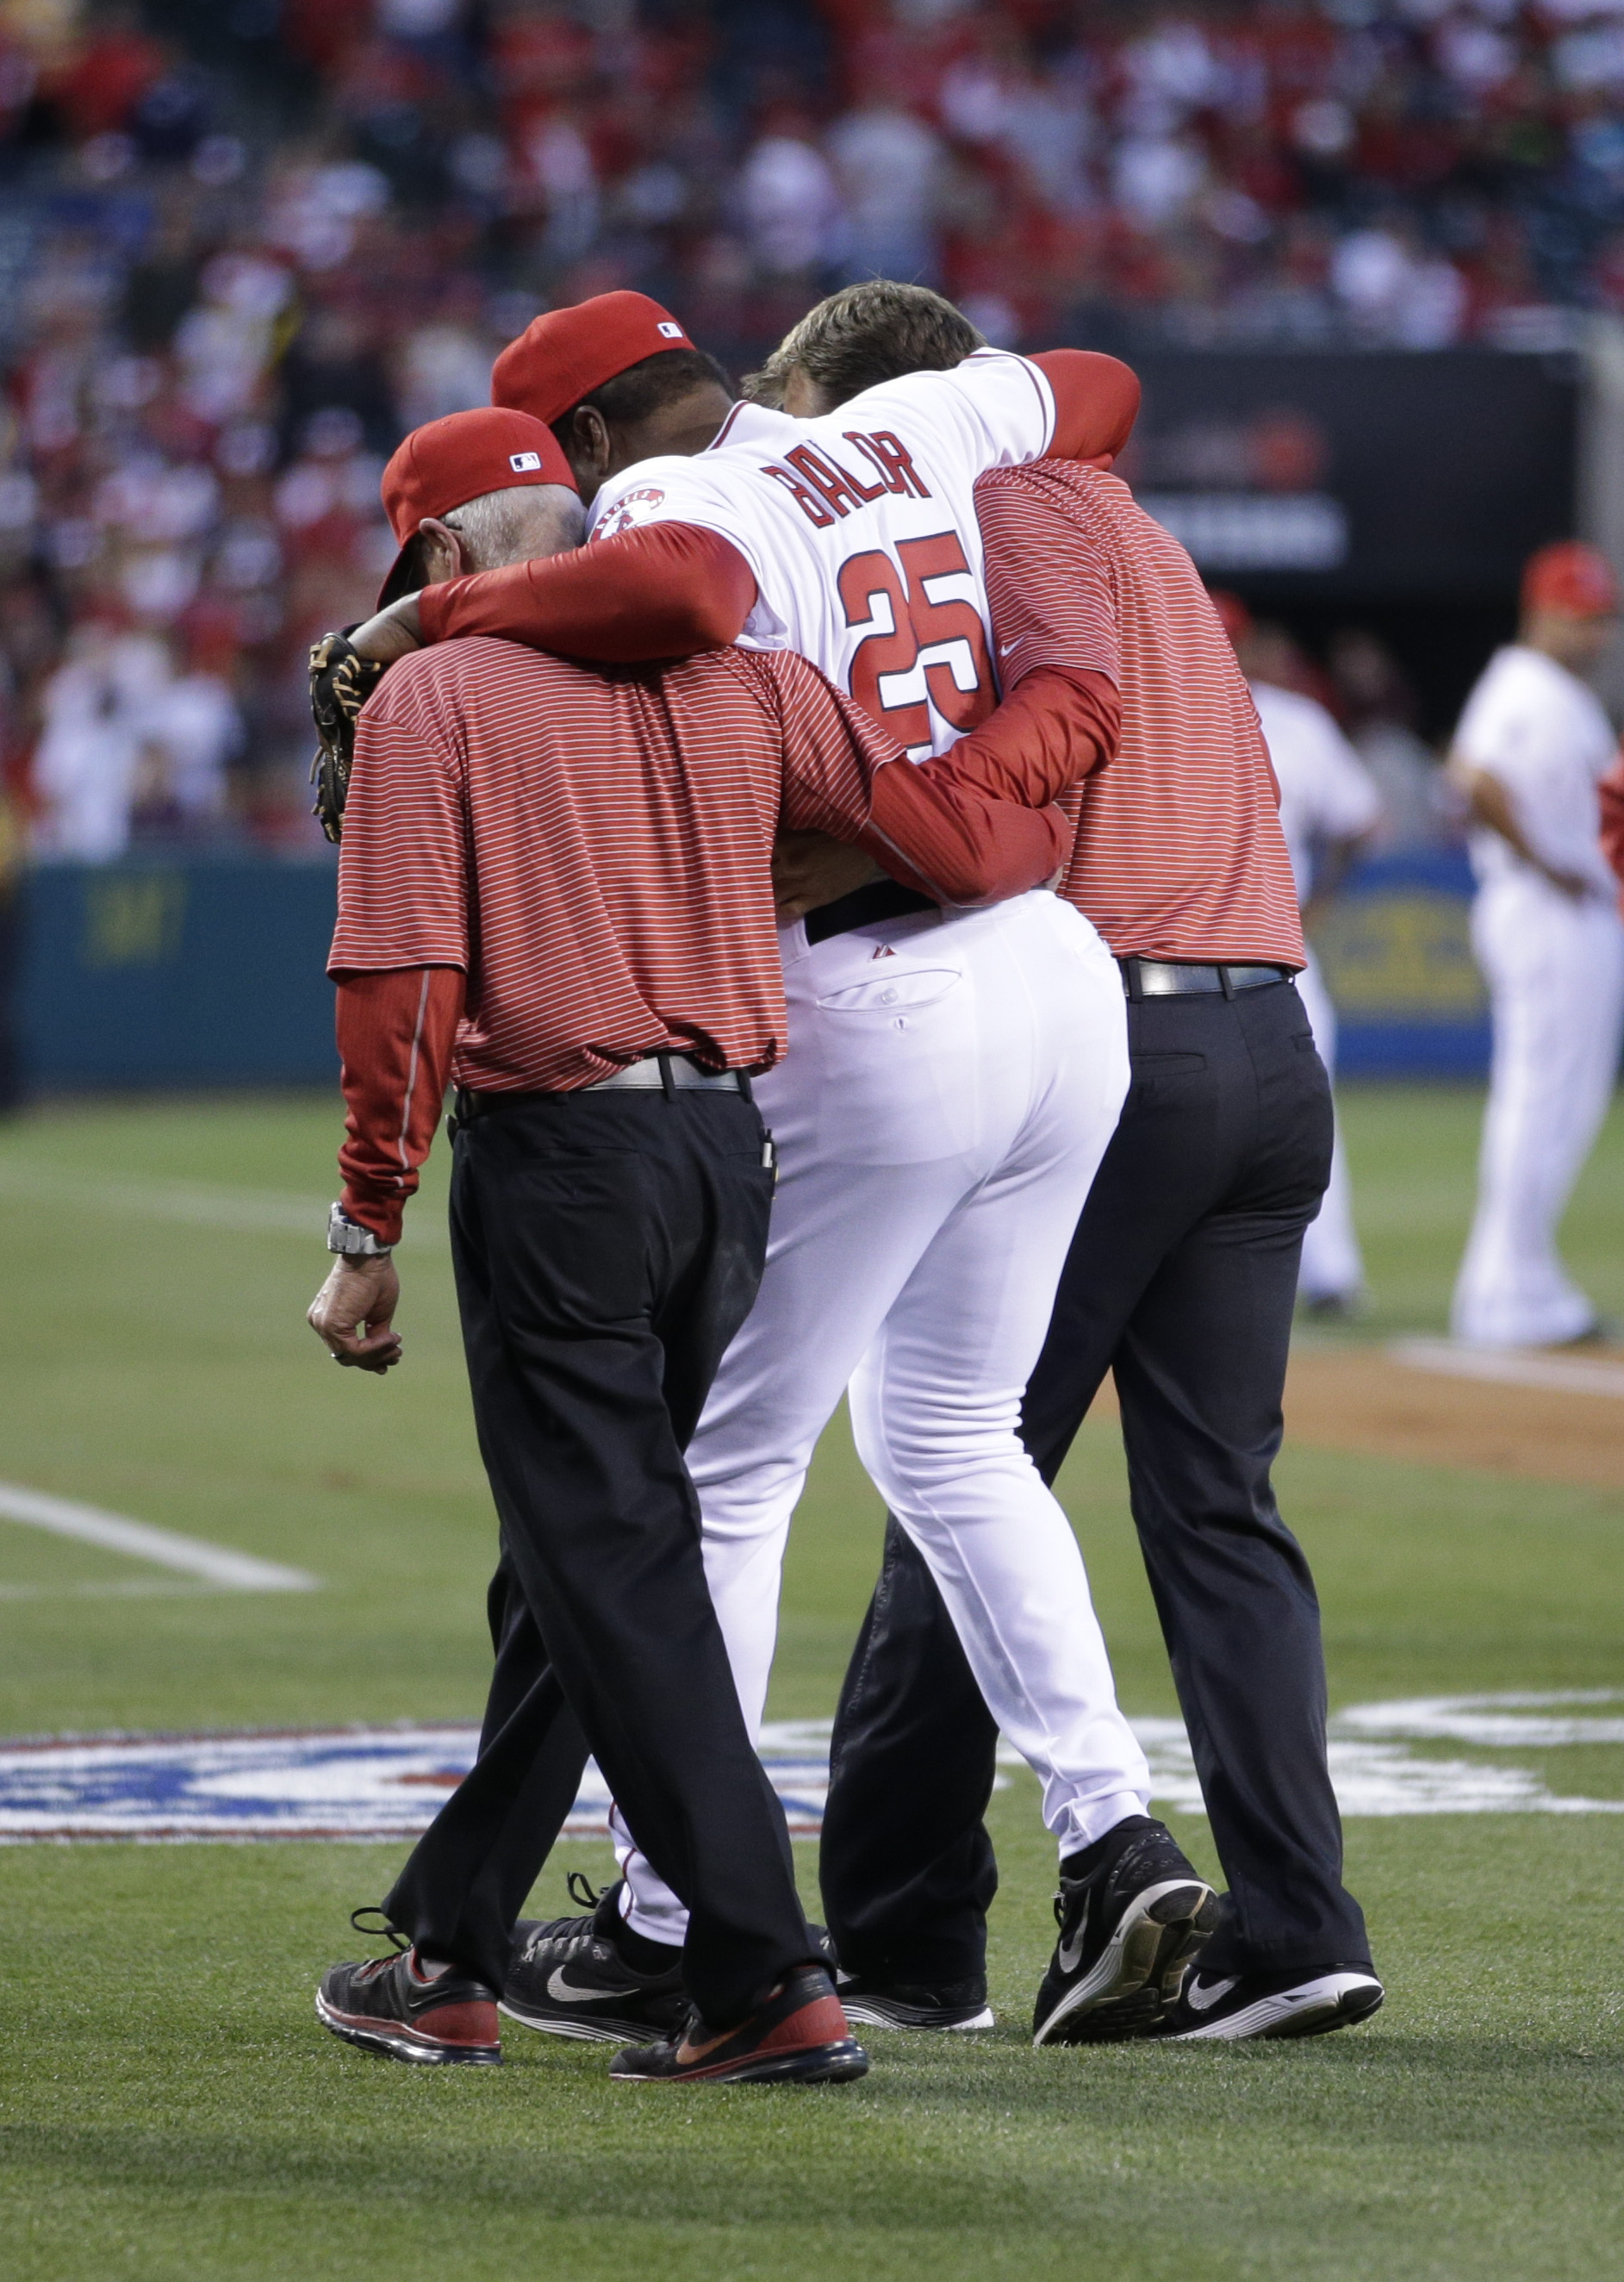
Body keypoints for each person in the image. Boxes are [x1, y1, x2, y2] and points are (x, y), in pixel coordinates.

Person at [336, 284, 1218, 2048]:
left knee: (722, 1473)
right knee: (954, 1435)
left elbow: (675, 597)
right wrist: (946, 809)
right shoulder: (910, 422)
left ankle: (679, 1923)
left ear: (591, 441)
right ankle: (1114, 1829)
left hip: (860, 1005)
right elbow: (1109, 387)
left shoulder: (671, 514)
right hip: (1044, 959)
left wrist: (442, 609)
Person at [803, 357, 1380, 2044]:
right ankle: (1296, 1927)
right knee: (1221, 1514)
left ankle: (907, 1937)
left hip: (1111, 1037)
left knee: (954, 1459)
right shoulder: (1144, 530)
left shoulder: (989, 511)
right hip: (1266, 1031)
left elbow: (1020, 784)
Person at [1447, 541, 1624, 1350]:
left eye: (1600, 618)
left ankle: (1517, 1282)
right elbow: (1472, 777)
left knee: (1564, 1103)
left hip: (1570, 910)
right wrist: (1545, 861)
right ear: (1537, 612)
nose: (1591, 632)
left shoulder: (1556, 692)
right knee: (1541, 1100)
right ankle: (1503, 1293)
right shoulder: (1523, 684)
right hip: (1546, 909)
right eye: (1576, 616)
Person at [1231, 608, 1383, 1317]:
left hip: (1278, 945)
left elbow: (1361, 820)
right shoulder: (1143, 709)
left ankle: (1330, 1275)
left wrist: (1317, 904)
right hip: (1173, 948)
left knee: (1308, 1105)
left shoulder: (1295, 722)